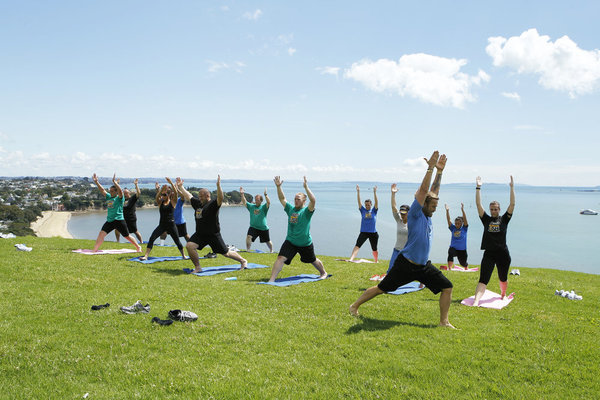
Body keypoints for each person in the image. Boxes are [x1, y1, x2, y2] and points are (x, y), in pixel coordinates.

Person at [349, 151, 455, 328]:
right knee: (382, 288)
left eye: (436, 206)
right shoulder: (415, 213)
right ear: (424, 204)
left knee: (447, 287)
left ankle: (444, 322)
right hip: (406, 264)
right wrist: (429, 169)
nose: (435, 209)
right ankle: (354, 306)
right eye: (433, 206)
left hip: (423, 266)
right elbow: (424, 191)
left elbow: (433, 192)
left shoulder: (428, 215)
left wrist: (440, 172)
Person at [177, 176, 247, 273]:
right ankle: (198, 267)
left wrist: (218, 186)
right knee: (189, 246)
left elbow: (220, 198)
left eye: (201, 197)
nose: (199, 198)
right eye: (199, 197)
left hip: (213, 234)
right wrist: (181, 187)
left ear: (207, 195)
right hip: (200, 234)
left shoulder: (213, 204)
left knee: (226, 253)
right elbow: (189, 196)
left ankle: (243, 261)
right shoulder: (198, 203)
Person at [268, 176, 327, 282]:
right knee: (280, 258)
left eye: (298, 199)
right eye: (295, 199)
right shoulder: (290, 209)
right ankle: (271, 280)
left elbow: (313, 200)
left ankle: (323, 273)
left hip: (305, 243)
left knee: (312, 260)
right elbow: (282, 199)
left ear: (304, 201)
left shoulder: (307, 212)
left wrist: (306, 187)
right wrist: (278, 187)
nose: (296, 201)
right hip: (290, 241)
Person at [472, 176, 515, 306]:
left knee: (503, 278)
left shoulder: (504, 219)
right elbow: (478, 204)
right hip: (489, 253)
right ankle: (476, 301)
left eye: (495, 209)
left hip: (503, 253)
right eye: (492, 209)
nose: (493, 211)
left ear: (499, 209)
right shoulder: (486, 219)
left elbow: (512, 204)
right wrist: (478, 187)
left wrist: (512, 187)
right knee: (483, 279)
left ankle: (503, 294)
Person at [91, 173, 141, 253]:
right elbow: (102, 190)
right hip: (110, 221)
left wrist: (115, 183)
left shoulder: (120, 198)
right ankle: (94, 250)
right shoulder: (108, 197)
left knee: (127, 236)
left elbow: (120, 191)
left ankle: (138, 247)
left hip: (119, 220)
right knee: (101, 234)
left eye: (112, 191)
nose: (110, 192)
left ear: (116, 192)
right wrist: (96, 182)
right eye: (109, 191)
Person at [139, 177, 186, 261]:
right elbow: (157, 197)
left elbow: (175, 193)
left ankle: (183, 255)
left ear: (168, 195)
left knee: (177, 241)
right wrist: (161, 190)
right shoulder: (161, 203)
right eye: (162, 195)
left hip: (171, 225)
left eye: (164, 195)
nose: (162, 196)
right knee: (152, 238)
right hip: (162, 225)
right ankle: (146, 256)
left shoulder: (173, 202)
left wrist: (171, 183)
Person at [349, 185, 379, 262]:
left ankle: (376, 261)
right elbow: (359, 201)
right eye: (366, 205)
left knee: (374, 248)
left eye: (368, 205)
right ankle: (351, 259)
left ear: (371, 205)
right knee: (357, 245)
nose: (367, 206)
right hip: (364, 232)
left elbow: (376, 202)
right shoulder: (363, 210)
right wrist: (358, 191)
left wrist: (375, 192)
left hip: (373, 233)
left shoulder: (374, 211)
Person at [240, 186, 273, 252]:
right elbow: (244, 202)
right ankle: (248, 250)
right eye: (256, 199)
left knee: (267, 241)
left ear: (261, 201)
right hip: (253, 227)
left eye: (258, 200)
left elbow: (268, 203)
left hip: (263, 228)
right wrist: (242, 194)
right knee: (249, 236)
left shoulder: (264, 207)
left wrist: (265, 195)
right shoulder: (252, 207)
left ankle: (271, 251)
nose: (256, 201)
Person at [388, 183, 409, 273]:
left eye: (404, 213)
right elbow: (394, 207)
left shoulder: (413, 223)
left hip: (408, 252)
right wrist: (393, 194)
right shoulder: (399, 220)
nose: (402, 215)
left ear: (409, 213)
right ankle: (387, 286)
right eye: (401, 213)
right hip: (397, 250)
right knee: (390, 270)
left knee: (408, 272)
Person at [115, 178, 143, 244]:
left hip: (131, 218)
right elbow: (117, 193)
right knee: (117, 229)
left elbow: (138, 193)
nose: (125, 194)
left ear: (129, 193)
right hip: (123, 218)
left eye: (126, 193)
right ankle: (117, 241)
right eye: (124, 193)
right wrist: (117, 184)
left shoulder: (132, 199)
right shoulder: (121, 199)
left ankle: (141, 242)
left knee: (135, 231)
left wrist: (136, 185)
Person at [444, 203, 469, 270]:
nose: (457, 225)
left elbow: (465, 219)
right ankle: (450, 268)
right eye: (456, 223)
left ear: (462, 223)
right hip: (454, 248)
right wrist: (447, 211)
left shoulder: (464, 228)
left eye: (458, 223)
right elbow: (448, 220)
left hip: (462, 250)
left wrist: (462, 210)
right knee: (450, 253)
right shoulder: (453, 228)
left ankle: (466, 266)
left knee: (463, 263)